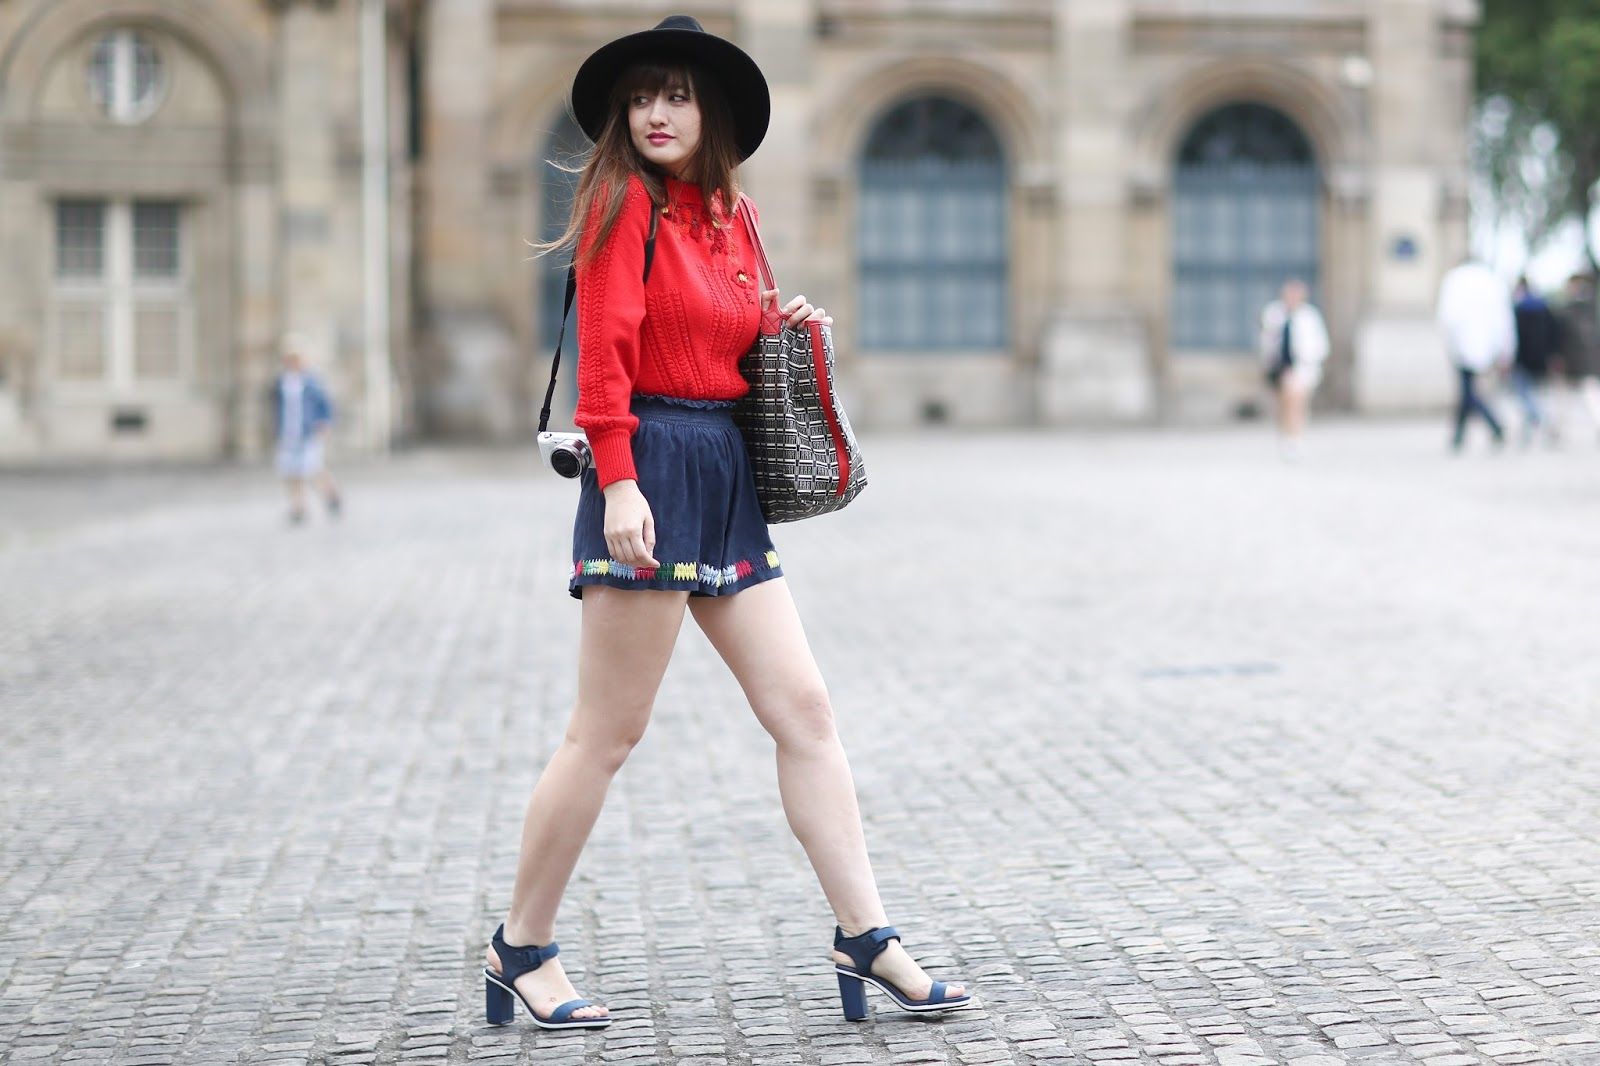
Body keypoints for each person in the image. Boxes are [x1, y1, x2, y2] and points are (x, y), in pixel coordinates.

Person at [481, 15, 972, 1033]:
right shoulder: (624, 201)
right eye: (641, 98)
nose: (655, 114)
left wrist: (782, 325)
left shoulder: (733, 217)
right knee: (606, 733)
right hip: (650, 467)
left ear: (713, 114)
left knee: (806, 713)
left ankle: (865, 934)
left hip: (725, 470)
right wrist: (620, 484)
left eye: (677, 96)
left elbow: (728, 338)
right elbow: (607, 356)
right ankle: (520, 945)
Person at [1436, 257, 1513, 452]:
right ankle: (1462, 434)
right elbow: (1503, 318)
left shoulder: (1454, 279)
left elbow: (1447, 316)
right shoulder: (1492, 280)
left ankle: (1492, 426)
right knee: (1468, 390)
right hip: (1486, 345)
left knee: (1467, 391)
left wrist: (1448, 342)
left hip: (1461, 345)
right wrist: (1505, 349)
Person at [1257, 278, 1329, 459]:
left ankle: (1294, 438)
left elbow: (1320, 345)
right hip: (1277, 367)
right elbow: (1266, 340)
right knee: (1282, 405)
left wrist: (1306, 359)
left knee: (1295, 400)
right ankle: (1286, 436)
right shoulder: (1273, 313)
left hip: (1301, 367)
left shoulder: (1310, 317)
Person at [272, 338, 342, 524]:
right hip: (289, 433)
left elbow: (325, 405)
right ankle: (298, 507)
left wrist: (324, 424)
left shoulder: (311, 382)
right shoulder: (281, 383)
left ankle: (331, 494)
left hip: (308, 432)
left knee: (312, 468)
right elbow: (277, 408)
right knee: (292, 471)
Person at [1510, 277, 1561, 446]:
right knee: (1535, 394)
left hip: (1522, 358)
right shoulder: (1544, 308)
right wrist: (1552, 354)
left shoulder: (1517, 309)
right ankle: (1531, 429)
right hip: (1541, 358)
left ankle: (1540, 420)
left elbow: (1512, 336)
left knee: (1524, 394)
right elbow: (1554, 333)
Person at [1555, 272, 1600, 440]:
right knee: (1576, 396)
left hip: (1575, 360)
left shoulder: (1569, 309)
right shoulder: (1590, 307)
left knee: (1586, 395)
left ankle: (1558, 429)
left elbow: (1562, 337)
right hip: (1585, 359)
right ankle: (1558, 428)